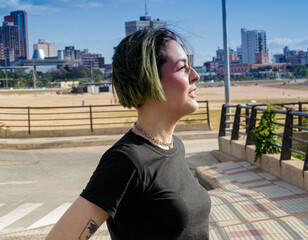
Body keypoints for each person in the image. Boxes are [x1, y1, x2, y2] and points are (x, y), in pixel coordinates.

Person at [46, 28, 211, 240]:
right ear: (150, 80)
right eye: (182, 68)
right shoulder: (127, 161)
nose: (195, 75)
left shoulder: (174, 146)